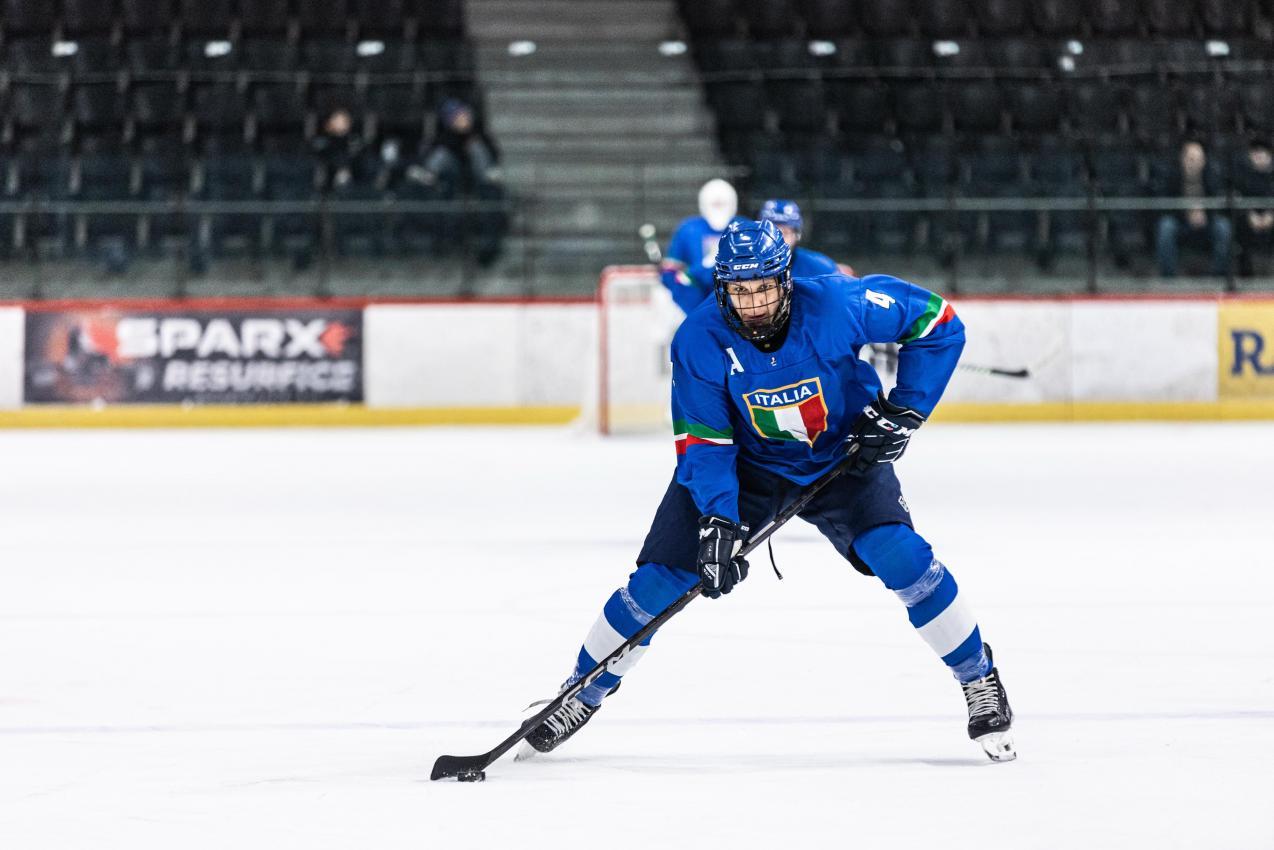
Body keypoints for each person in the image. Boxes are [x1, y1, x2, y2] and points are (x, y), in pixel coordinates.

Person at [519, 220, 1016, 764]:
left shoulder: (837, 303)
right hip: (746, 466)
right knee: (662, 580)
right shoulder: (698, 340)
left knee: (902, 557)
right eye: (740, 290)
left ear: (785, 280)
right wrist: (718, 519)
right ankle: (580, 690)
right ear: (721, 289)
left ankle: (978, 677)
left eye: (764, 288)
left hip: (843, 453)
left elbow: (937, 322)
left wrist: (907, 410)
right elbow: (705, 441)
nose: (753, 303)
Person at [660, 178, 747, 313]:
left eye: (722, 203)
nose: (718, 208)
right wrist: (687, 296)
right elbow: (669, 273)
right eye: (714, 204)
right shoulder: (688, 229)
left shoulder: (745, 228)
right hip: (695, 303)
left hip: (738, 302)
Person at [1154, 140, 1232, 278]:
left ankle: (1218, 276)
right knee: (1165, 227)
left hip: (1206, 220)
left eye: (1198, 159)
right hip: (1180, 221)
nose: (1194, 163)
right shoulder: (1172, 176)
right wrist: (1187, 214)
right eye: (1191, 159)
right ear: (1183, 159)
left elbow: (1217, 201)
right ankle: (1168, 276)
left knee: (1223, 227)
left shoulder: (1211, 175)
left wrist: (1205, 214)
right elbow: (1166, 204)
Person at [758, 198, 855, 277]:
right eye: (771, 232)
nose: (777, 239)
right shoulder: (744, 265)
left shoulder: (820, 268)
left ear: (797, 235)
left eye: (785, 233)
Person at [1233, 138, 1274, 277]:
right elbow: (1238, 198)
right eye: (1256, 155)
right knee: (1238, 227)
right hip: (1248, 219)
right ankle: (1245, 274)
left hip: (1271, 217)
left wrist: (1271, 216)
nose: (1260, 158)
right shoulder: (1242, 175)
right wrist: (1250, 215)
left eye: (1263, 155)